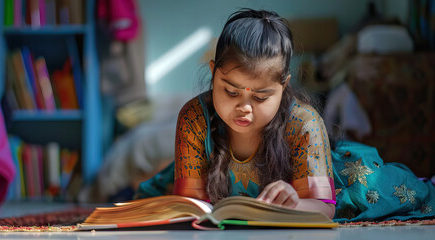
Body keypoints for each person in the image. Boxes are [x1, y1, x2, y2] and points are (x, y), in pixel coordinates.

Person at [137, 8, 435, 222]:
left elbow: (324, 208)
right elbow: (192, 204)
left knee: (397, 191)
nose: (244, 107)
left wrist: (296, 204)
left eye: (261, 96)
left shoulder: (303, 122)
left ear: (283, 87)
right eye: (230, 91)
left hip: (335, 182)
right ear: (213, 73)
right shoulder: (193, 117)